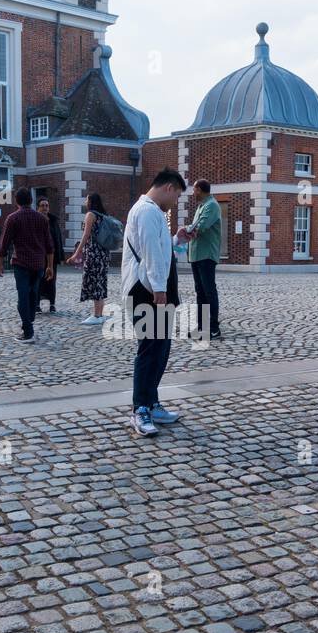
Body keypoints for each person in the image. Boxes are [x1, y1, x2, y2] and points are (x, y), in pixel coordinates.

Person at [122, 168, 186, 437]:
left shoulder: (152, 212)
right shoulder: (148, 211)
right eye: (177, 196)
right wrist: (159, 290)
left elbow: (158, 247)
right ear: (169, 188)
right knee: (150, 351)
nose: (176, 202)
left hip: (153, 290)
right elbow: (149, 251)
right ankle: (140, 409)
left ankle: (151, 402)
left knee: (160, 349)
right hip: (146, 291)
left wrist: (177, 240)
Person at [0, 188, 56, 344]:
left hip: (21, 263)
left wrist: (0, 263)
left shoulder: (13, 218)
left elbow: (4, 243)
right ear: (31, 201)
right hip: (38, 264)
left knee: (22, 295)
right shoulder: (42, 219)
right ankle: (30, 318)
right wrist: (50, 266)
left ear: (17, 201)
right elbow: (49, 245)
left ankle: (28, 330)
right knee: (32, 292)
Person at [183, 180, 223, 340]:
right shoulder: (202, 206)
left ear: (199, 190)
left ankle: (213, 328)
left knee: (209, 291)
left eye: (194, 190)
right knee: (200, 293)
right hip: (196, 254)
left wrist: (184, 230)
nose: (193, 193)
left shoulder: (211, 205)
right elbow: (195, 227)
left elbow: (201, 226)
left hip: (207, 255)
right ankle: (201, 327)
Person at [67, 192, 111, 326]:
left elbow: (86, 236)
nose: (85, 201)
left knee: (94, 281)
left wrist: (76, 253)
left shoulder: (90, 215)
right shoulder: (103, 216)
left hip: (93, 253)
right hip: (103, 253)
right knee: (100, 281)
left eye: (86, 199)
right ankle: (100, 314)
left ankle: (97, 315)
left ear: (91, 201)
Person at [36, 197, 66, 315]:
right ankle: (37, 304)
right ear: (38, 208)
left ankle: (52, 304)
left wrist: (61, 256)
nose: (44, 208)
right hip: (38, 255)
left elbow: (58, 238)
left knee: (51, 281)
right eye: (42, 205)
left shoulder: (53, 221)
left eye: (46, 205)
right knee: (38, 280)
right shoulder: (35, 220)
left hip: (52, 256)